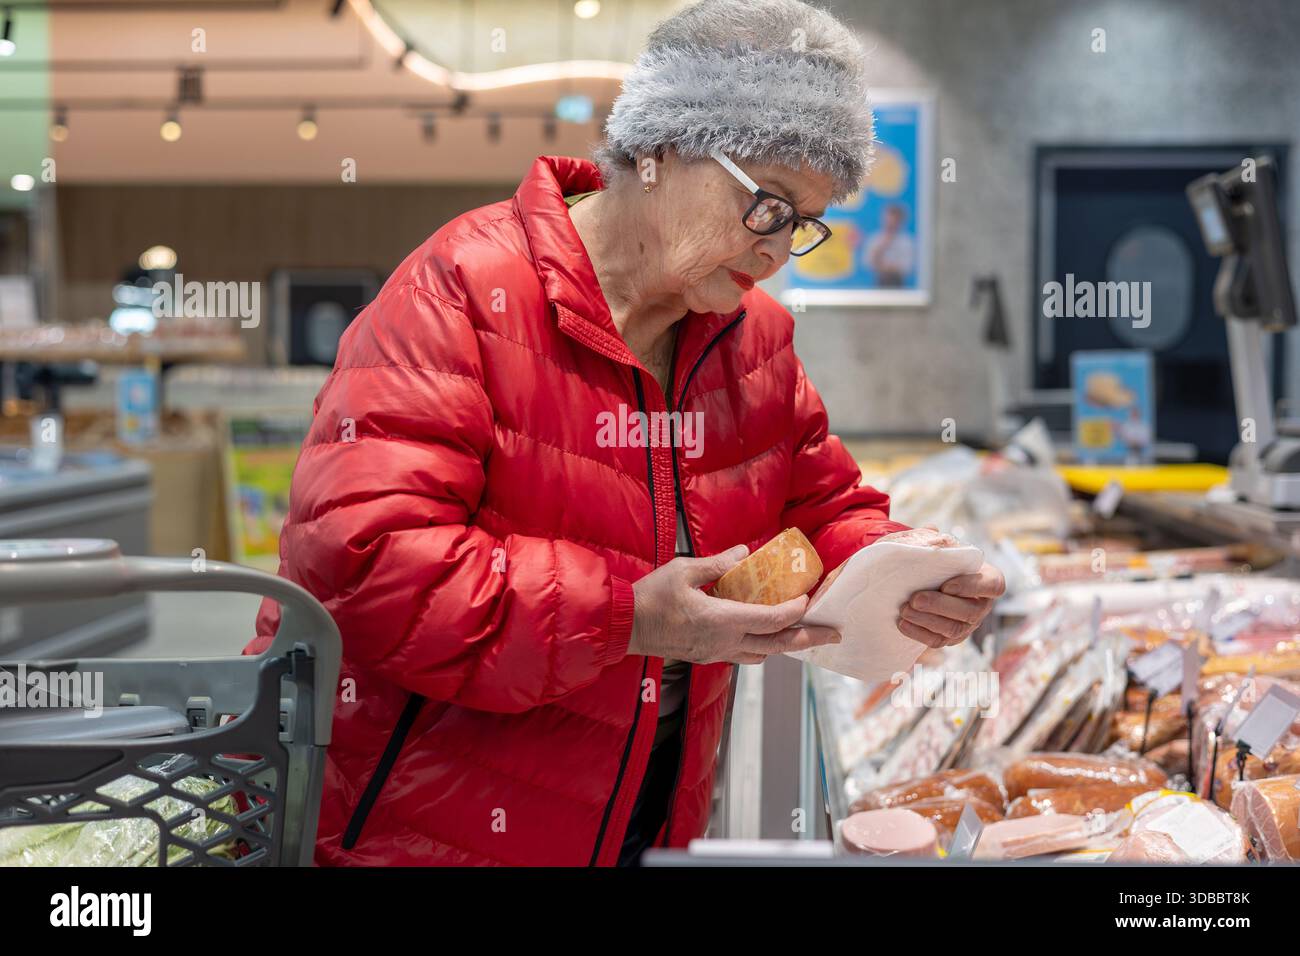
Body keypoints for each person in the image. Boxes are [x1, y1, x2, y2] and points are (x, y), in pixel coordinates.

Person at [244, 0, 1004, 866]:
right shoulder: (460, 291)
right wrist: (626, 616)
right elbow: (363, 562)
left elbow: (824, 505)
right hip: (423, 826)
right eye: (767, 205)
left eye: (803, 224)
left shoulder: (751, 341)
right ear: (657, 148)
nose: (777, 250)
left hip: (643, 811)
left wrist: (904, 569)